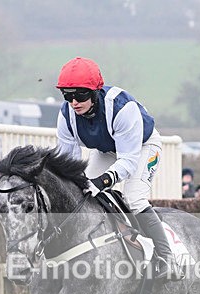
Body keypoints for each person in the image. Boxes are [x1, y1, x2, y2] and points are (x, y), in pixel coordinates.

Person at [55, 57, 180, 280]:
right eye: (67, 95)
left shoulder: (122, 108)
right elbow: (68, 161)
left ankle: (167, 258)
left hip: (142, 147)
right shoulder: (66, 115)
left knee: (134, 198)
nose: (74, 102)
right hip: (106, 150)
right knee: (82, 197)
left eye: (80, 95)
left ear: (95, 91)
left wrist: (101, 181)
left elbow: (128, 161)